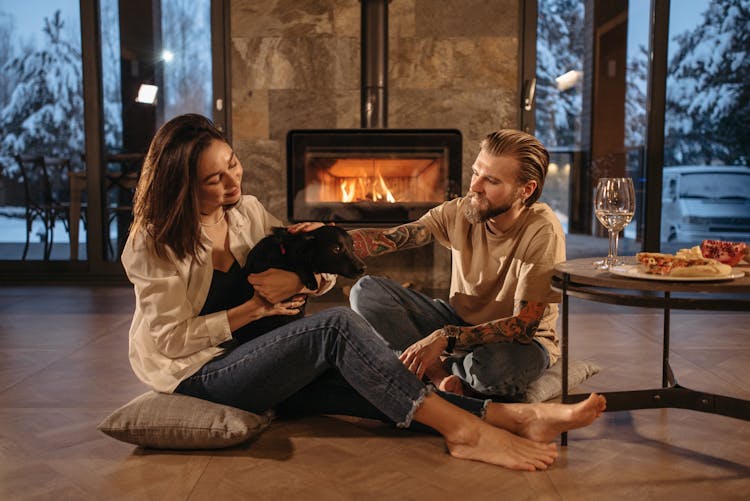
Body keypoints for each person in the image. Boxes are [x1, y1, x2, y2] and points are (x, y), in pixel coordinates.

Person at [122, 113, 606, 472]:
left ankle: (511, 415)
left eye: (233, 164)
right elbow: (168, 341)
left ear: (525, 189)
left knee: (370, 379)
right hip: (200, 371)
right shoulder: (155, 241)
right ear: (181, 185)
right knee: (340, 324)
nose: (233, 182)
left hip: (262, 356)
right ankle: (468, 429)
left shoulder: (244, 212)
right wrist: (253, 308)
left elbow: (310, 266)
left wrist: (304, 276)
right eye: (215, 179)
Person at [348, 129, 565, 400]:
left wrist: (444, 337)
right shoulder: (460, 211)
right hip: (459, 323)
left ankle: (428, 369)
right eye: (476, 173)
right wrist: (326, 238)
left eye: (492, 180)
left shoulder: (542, 231)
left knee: (499, 369)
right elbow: (391, 238)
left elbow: (523, 326)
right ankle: (442, 376)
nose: (474, 186)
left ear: (526, 190)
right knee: (366, 291)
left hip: (520, 343)